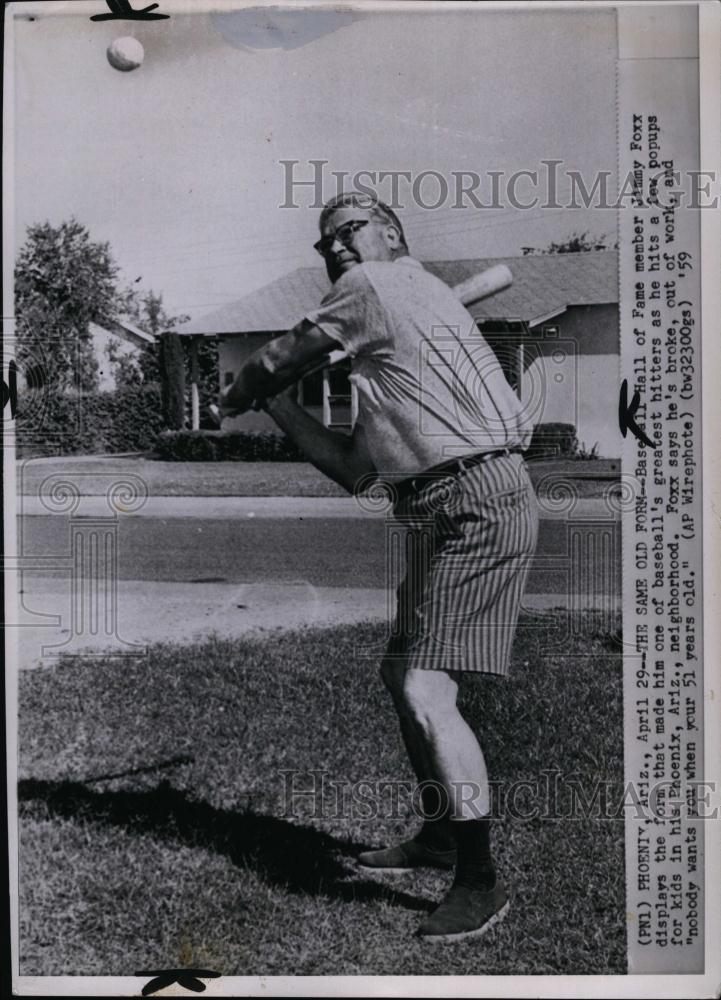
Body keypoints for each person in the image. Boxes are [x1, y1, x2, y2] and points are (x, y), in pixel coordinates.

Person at [219, 191, 539, 942]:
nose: (333, 248)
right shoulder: (392, 353)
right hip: (432, 504)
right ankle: (436, 835)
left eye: (346, 232)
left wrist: (247, 383)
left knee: (428, 687)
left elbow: (273, 355)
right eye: (322, 242)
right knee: (401, 673)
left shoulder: (379, 284)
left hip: (477, 498)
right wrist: (276, 406)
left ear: (390, 233)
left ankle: (480, 882)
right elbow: (353, 470)